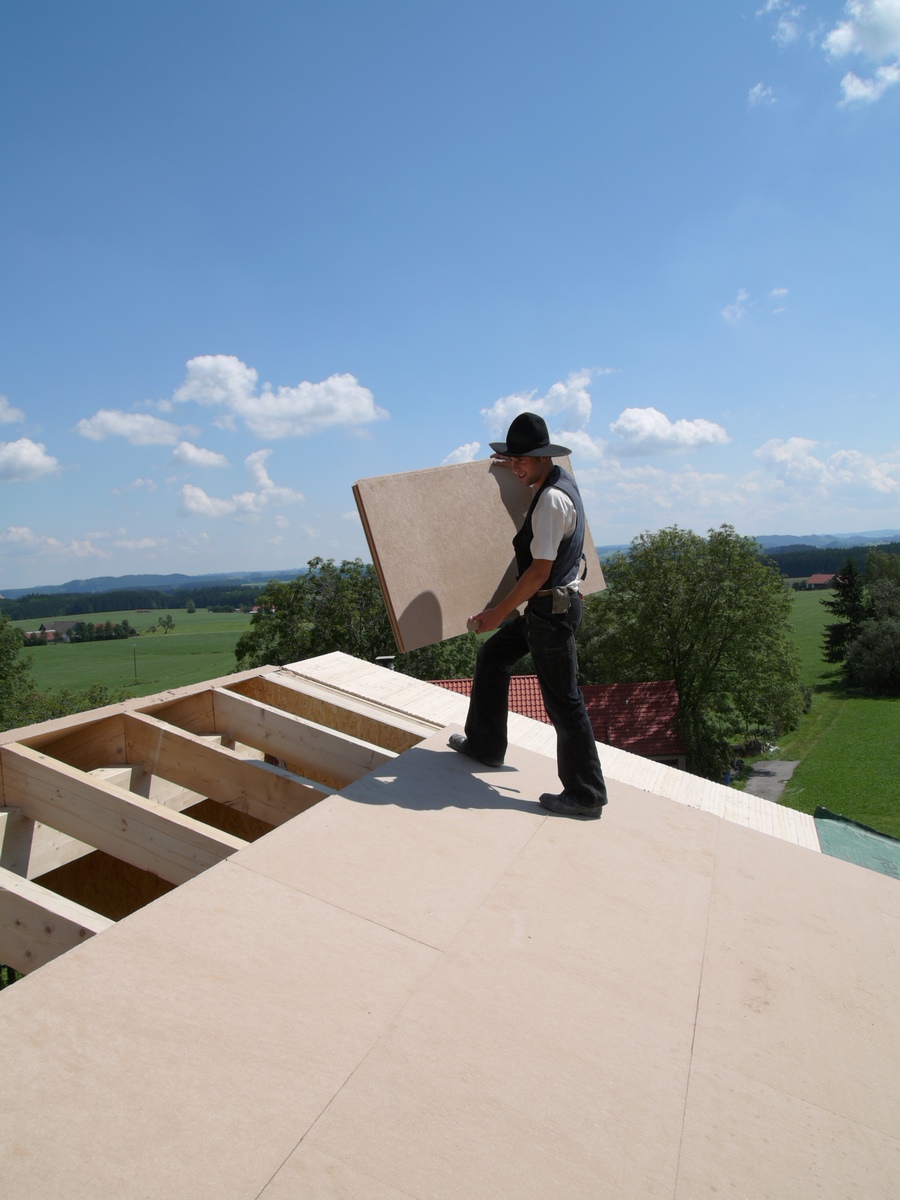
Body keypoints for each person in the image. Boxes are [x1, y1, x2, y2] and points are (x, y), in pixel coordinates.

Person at [449, 412, 608, 819]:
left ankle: (586, 794)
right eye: (513, 458)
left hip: (550, 612)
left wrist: (496, 613)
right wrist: (516, 466)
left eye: (522, 459)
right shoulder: (560, 480)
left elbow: (538, 572)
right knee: (494, 655)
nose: (516, 465)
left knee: (563, 701)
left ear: (542, 457)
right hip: (551, 607)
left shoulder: (551, 500)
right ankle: (485, 746)